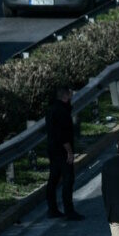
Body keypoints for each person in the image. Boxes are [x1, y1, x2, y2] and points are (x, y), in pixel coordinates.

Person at [46, 86, 83, 221]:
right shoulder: (62, 111)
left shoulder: (51, 109)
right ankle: (69, 210)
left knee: (53, 179)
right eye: (70, 94)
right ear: (65, 96)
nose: (71, 97)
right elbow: (63, 135)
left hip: (52, 149)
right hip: (62, 151)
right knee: (68, 179)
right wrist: (69, 152)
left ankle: (52, 209)